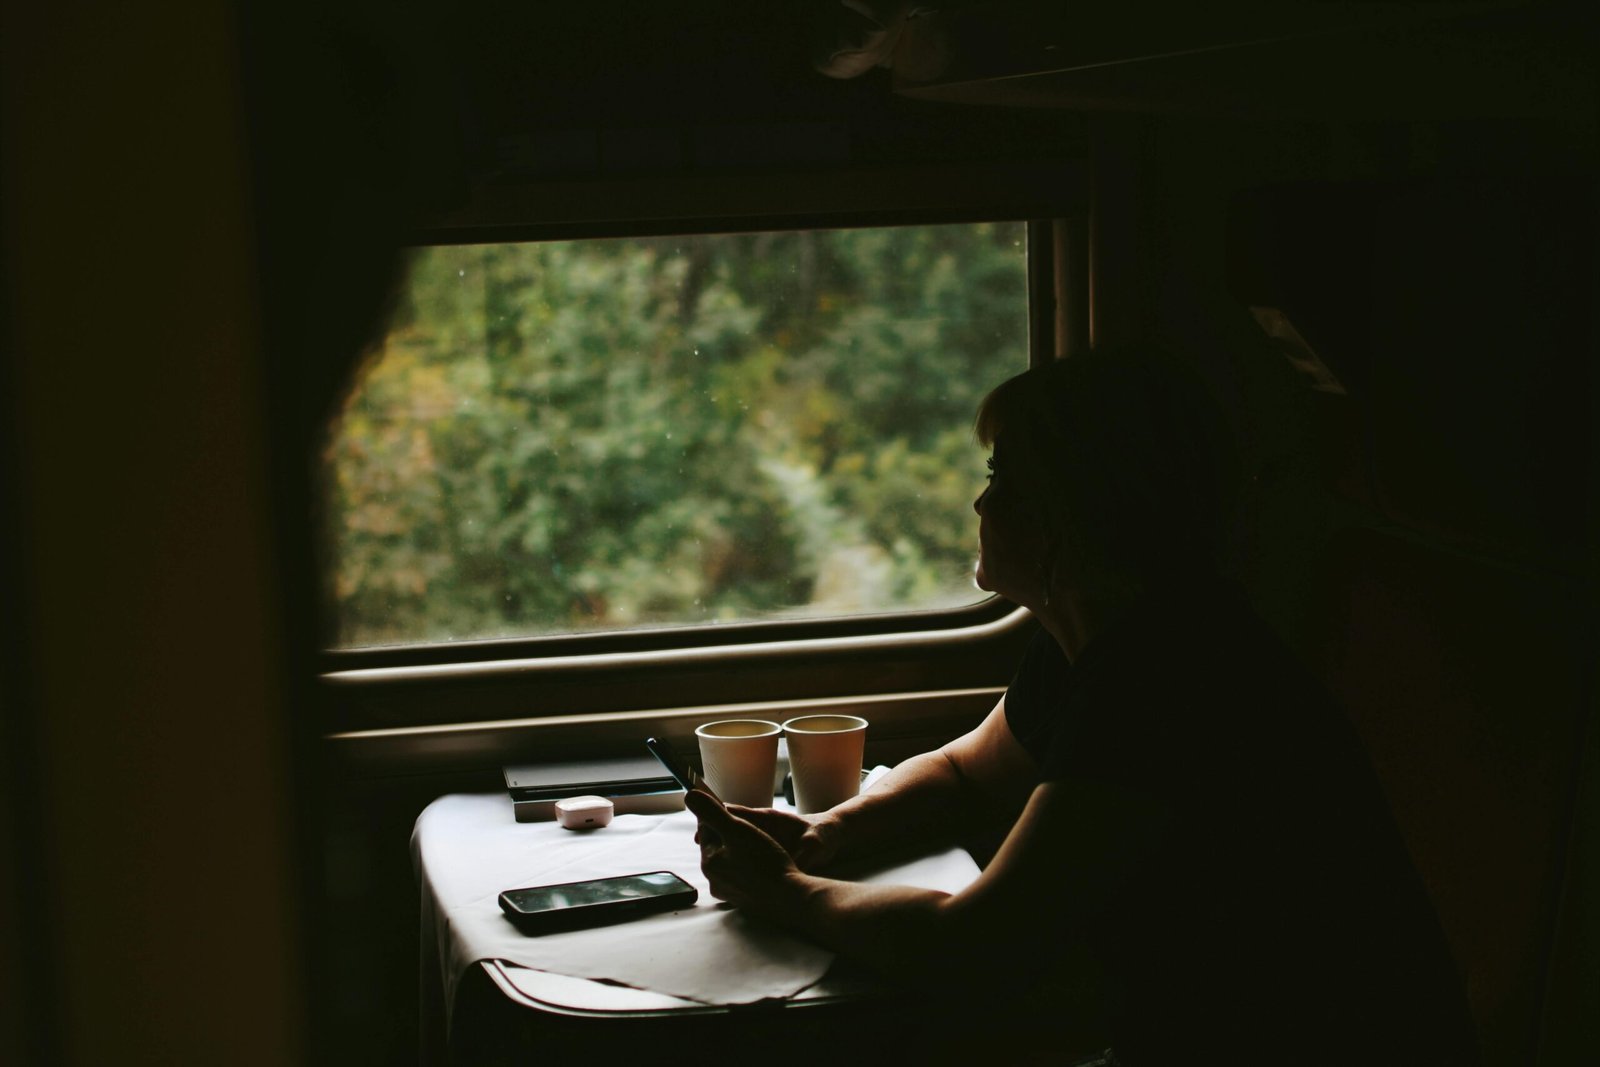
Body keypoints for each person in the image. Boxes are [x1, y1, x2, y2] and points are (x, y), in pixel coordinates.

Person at [685, 344, 1481, 1065]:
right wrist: (829, 830)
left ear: (1064, 514)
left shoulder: (1169, 675)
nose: (978, 505)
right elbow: (968, 769)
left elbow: (977, 948)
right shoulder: (1100, 634)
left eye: (1000, 479)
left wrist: (784, 892)